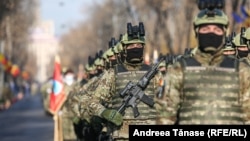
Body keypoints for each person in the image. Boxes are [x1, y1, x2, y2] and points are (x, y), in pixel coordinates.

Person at [155, 7, 250, 125]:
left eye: (217, 29)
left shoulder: (242, 71)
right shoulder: (179, 70)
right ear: (196, 32)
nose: (211, 33)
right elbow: (165, 119)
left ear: (224, 32)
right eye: (205, 29)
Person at [69, 22, 162, 140]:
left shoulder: (155, 74)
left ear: (143, 47)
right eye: (131, 46)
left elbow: (167, 103)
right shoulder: (113, 74)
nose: (135, 49)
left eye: (138, 46)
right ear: (124, 49)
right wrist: (105, 112)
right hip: (122, 136)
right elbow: (90, 101)